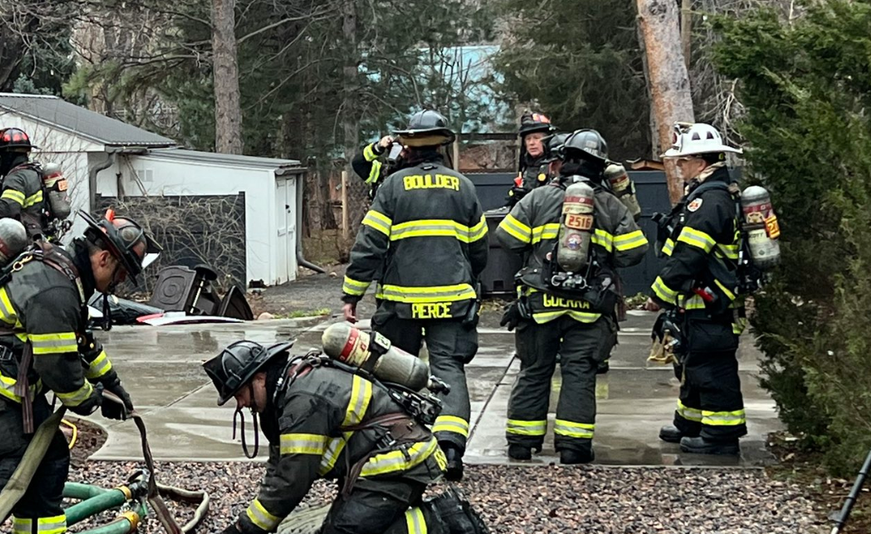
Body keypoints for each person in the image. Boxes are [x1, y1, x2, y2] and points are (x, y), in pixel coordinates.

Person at [0, 210, 157, 534]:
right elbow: (58, 367)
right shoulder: (55, 290)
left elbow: (82, 344)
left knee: (48, 460)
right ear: (104, 258)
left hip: (7, 395)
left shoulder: (63, 274)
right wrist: (94, 399)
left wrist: (111, 383)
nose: (117, 284)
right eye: (120, 275)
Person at [341, 109, 488, 481]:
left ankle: (400, 446)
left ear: (407, 146)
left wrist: (352, 294)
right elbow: (479, 248)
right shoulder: (464, 186)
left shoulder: (392, 187)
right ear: (440, 146)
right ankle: (450, 451)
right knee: (448, 369)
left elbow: (369, 245)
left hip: (401, 303)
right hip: (453, 301)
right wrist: (468, 280)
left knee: (395, 369)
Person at [495, 129, 647, 464]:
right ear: (600, 167)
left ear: (562, 161)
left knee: (535, 370)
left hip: (539, 305)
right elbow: (634, 252)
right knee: (579, 373)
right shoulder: (611, 206)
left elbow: (506, 238)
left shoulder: (538, 198)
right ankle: (573, 447)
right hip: (589, 308)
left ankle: (521, 442)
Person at [203, 340, 459, 534]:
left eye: (239, 394)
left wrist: (245, 529)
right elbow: (280, 467)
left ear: (259, 378)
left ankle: (444, 521)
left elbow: (292, 479)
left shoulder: (303, 401)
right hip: (378, 467)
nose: (241, 404)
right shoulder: (286, 392)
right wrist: (248, 525)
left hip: (399, 465)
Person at [646, 123, 746, 455]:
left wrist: (659, 294)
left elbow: (689, 255)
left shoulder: (710, 201)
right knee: (693, 363)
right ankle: (689, 423)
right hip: (700, 300)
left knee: (712, 368)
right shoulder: (709, 195)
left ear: (701, 162)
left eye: (684, 160)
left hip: (711, 301)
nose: (679, 166)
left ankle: (720, 437)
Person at [0, 127, 71, 241]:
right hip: (43, 238)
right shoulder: (35, 172)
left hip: (25, 240)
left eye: (1, 154)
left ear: (8, 155)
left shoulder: (17, 178)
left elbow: (7, 209)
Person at [506, 112, 556, 209]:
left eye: (536, 138)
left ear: (548, 140)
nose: (531, 143)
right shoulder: (525, 167)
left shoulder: (555, 166)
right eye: (528, 139)